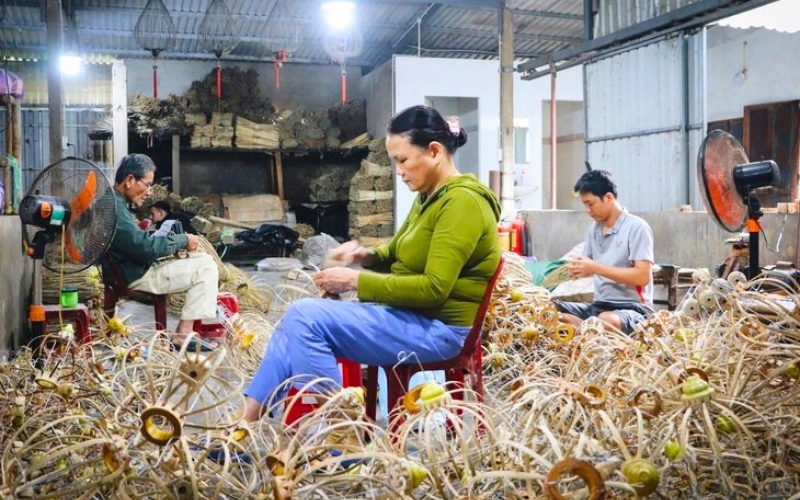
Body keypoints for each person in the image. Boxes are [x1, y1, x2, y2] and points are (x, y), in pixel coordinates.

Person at [242, 105, 502, 421]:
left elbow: (434, 289)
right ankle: (241, 428)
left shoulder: (463, 202)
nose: (399, 171)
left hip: (440, 330)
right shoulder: (429, 197)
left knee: (305, 317)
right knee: (291, 324)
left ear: (434, 151)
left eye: (403, 160)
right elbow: (396, 253)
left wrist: (353, 281)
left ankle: (337, 437)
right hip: (409, 318)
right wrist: (363, 255)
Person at [101, 154, 219, 349]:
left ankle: (184, 331)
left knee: (200, 257)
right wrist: (183, 239)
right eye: (146, 184)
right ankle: (184, 333)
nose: (148, 192)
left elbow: (133, 241)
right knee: (207, 266)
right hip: (138, 274)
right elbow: (146, 249)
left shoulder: (111, 201)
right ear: (130, 180)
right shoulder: (116, 210)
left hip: (127, 269)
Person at [554, 170, 654, 334]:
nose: (587, 209)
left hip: (633, 309)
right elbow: (587, 266)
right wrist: (577, 269)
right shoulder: (594, 230)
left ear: (608, 198)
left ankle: (585, 328)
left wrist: (595, 268)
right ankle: (588, 329)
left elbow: (642, 276)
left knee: (607, 320)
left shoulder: (637, 228)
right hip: (599, 307)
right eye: (584, 204)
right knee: (550, 310)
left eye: (590, 203)